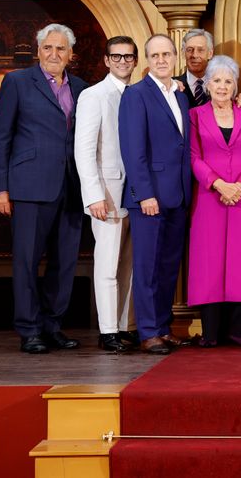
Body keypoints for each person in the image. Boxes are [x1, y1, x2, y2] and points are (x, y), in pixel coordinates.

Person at [0, 23, 89, 354]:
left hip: (71, 187)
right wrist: (0, 188)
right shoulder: (17, 82)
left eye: (61, 48)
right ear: (38, 51)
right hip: (29, 186)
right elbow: (1, 137)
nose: (54, 54)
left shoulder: (81, 87)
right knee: (27, 261)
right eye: (48, 47)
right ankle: (29, 329)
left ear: (70, 54)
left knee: (65, 263)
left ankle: (52, 326)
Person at [119, 34, 192, 355]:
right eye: (155, 55)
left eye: (166, 54)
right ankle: (148, 332)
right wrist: (144, 194)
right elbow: (132, 150)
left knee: (168, 267)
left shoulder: (181, 94)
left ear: (175, 57)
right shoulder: (136, 95)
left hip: (178, 194)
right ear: (147, 60)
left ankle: (163, 327)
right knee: (147, 267)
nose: (161, 60)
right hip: (149, 197)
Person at [188, 55, 241, 346]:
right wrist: (219, 184)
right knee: (209, 260)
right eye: (217, 80)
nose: (222, 86)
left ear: (235, 87)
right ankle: (212, 333)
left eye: (228, 81)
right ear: (207, 84)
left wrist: (240, 185)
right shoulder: (195, 115)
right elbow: (193, 157)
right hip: (209, 197)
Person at [74, 35, 138, 352]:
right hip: (107, 192)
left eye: (128, 57)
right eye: (117, 56)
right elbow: (84, 150)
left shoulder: (137, 95)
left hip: (136, 192)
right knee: (108, 263)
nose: (122, 61)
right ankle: (108, 330)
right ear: (106, 60)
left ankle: (126, 326)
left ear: (135, 61)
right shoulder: (93, 96)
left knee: (129, 264)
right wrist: (93, 195)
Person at [173, 28, 214, 108]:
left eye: (200, 50)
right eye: (189, 50)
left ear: (210, 53)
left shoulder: (221, 87)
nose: (194, 55)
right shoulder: (171, 86)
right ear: (183, 53)